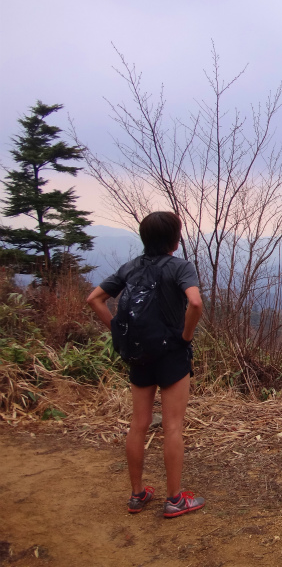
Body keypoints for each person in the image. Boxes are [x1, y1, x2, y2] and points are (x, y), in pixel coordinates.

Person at [86, 211, 205, 518]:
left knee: (138, 424)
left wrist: (118, 331)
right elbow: (195, 302)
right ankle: (175, 500)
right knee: (173, 426)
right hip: (171, 354)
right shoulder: (180, 267)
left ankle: (137, 495)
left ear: (144, 238)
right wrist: (185, 336)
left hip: (138, 354)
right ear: (175, 240)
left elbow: (94, 299)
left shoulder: (131, 268)